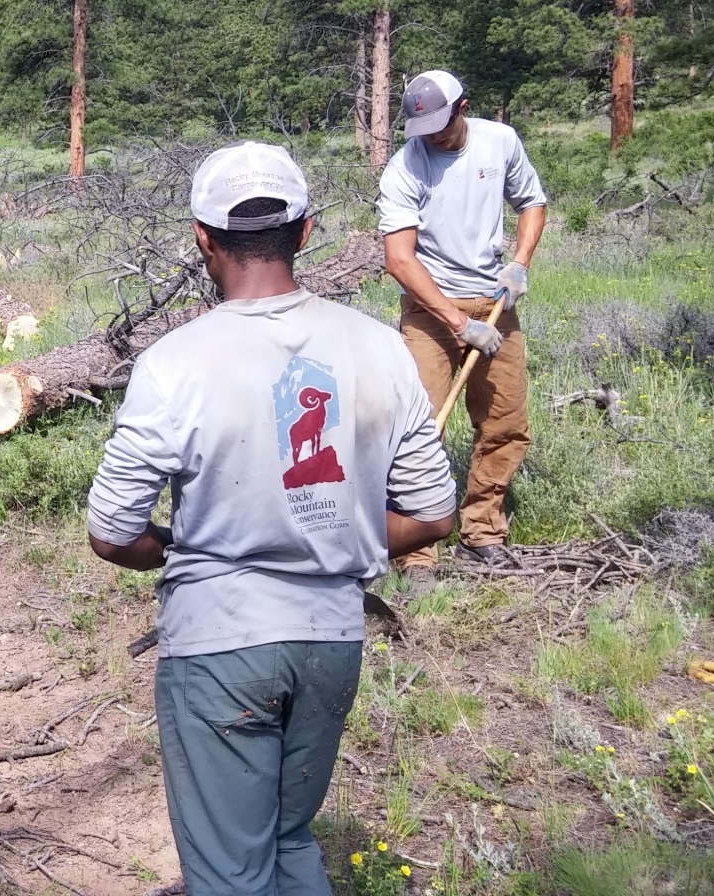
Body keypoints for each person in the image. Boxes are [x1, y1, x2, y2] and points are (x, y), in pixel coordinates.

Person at [87, 142, 460, 896]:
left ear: (202, 236)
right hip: (330, 641)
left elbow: (111, 531)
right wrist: (337, 530)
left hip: (220, 644)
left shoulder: (175, 362)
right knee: (291, 839)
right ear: (308, 229)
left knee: (230, 870)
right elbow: (433, 512)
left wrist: (172, 547)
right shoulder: (382, 349)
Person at [377, 70, 548, 571]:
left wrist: (520, 263)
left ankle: (482, 530)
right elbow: (400, 260)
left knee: (505, 423)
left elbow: (532, 202)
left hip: (494, 303)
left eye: (441, 125)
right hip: (431, 308)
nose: (433, 136)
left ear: (463, 107)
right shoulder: (404, 168)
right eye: (422, 127)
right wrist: (456, 322)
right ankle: (415, 551)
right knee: (420, 428)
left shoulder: (500, 142)